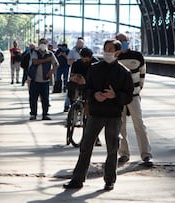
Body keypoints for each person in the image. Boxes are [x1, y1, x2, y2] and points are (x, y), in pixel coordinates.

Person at [63, 39, 134, 191]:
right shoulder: (95, 69)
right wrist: (94, 95)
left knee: (112, 148)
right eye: (105, 48)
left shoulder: (124, 73)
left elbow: (128, 96)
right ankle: (77, 178)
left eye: (111, 49)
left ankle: (109, 180)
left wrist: (115, 95)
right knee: (86, 146)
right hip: (96, 113)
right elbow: (86, 89)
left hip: (114, 114)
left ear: (117, 52)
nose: (107, 52)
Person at [115, 33, 153, 167]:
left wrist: (138, 89)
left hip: (134, 96)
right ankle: (124, 153)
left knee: (139, 124)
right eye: (119, 41)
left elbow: (142, 74)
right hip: (118, 97)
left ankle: (146, 154)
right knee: (120, 126)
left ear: (128, 41)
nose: (121, 42)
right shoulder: (114, 57)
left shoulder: (137, 56)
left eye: (124, 40)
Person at [28, 38, 59, 121]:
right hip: (35, 79)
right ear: (39, 44)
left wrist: (51, 72)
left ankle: (45, 114)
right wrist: (46, 60)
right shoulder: (35, 52)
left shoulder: (50, 54)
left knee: (45, 98)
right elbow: (35, 62)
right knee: (33, 98)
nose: (43, 45)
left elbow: (56, 64)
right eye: (41, 43)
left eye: (44, 43)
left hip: (45, 80)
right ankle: (33, 114)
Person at [64, 37, 85, 112]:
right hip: (74, 71)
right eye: (79, 44)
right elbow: (69, 62)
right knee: (70, 87)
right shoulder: (72, 51)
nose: (80, 45)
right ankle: (67, 105)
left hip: (83, 73)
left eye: (81, 44)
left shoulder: (86, 51)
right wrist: (77, 62)